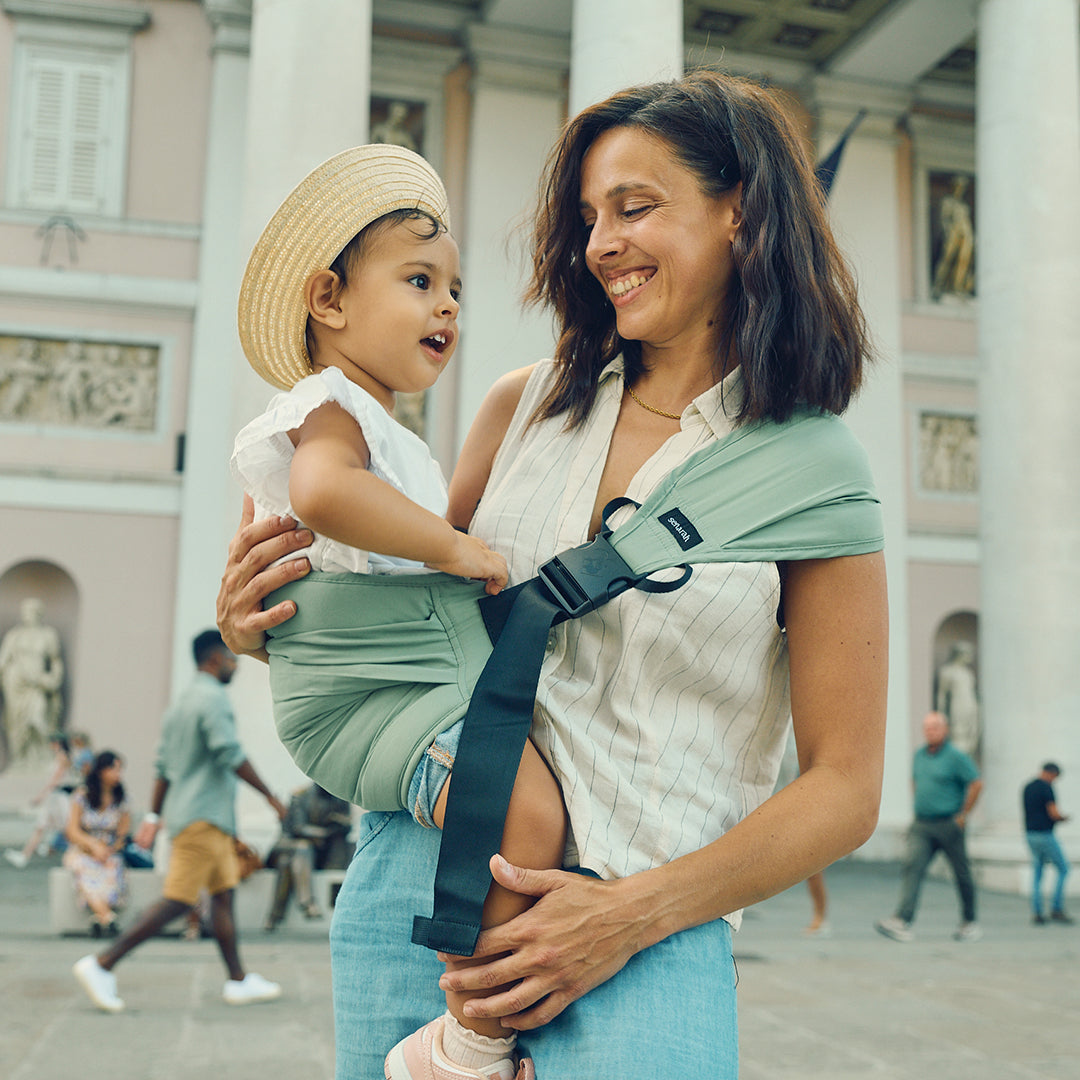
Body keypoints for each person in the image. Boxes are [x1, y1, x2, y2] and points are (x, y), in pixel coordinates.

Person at [218, 70, 889, 1079]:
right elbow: (420, 621)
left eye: (635, 206)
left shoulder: (812, 472)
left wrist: (627, 916)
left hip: (641, 931)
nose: (600, 242)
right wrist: (261, 621)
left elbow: (846, 787)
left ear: (740, 214)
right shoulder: (521, 407)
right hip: (424, 873)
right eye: (587, 216)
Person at [230, 142, 563, 1080]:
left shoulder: (388, 427)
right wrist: (455, 548)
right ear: (328, 300)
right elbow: (325, 495)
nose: (448, 305)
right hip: (368, 693)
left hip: (401, 682)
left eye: (455, 286)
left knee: (517, 811)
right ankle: (469, 1039)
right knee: (521, 814)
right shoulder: (329, 407)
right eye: (419, 279)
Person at [72, 629, 288, 1014]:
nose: (236, 665)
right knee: (179, 899)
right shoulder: (212, 700)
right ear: (214, 659)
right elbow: (229, 752)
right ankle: (102, 964)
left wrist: (155, 815)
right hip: (204, 817)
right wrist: (271, 796)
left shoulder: (181, 705)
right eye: (231, 658)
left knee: (223, 895)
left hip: (200, 817)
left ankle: (238, 981)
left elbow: (163, 767)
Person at [875, 711, 983, 944]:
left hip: (948, 823)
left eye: (934, 727)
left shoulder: (956, 756)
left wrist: (963, 815)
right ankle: (902, 919)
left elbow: (976, 782)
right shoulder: (919, 755)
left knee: (961, 872)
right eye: (926, 727)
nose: (929, 731)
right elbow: (916, 781)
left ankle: (969, 921)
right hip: (922, 823)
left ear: (944, 730)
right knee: (912, 867)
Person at [264, 783, 353, 930]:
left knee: (286, 863)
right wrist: (324, 833)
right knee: (302, 847)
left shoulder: (340, 797)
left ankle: (274, 916)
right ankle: (307, 903)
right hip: (287, 845)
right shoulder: (301, 796)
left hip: (311, 854)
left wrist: (338, 823)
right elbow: (298, 828)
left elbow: (347, 826)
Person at [63, 749, 130, 935]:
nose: (118, 775)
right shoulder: (82, 795)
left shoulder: (121, 799)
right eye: (114, 770)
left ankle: (101, 918)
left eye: (119, 770)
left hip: (108, 852)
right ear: (102, 771)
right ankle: (107, 916)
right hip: (83, 849)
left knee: (113, 867)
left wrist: (109, 849)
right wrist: (92, 845)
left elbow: (122, 834)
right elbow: (72, 830)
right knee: (84, 868)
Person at [0, 597, 65, 765]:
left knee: (38, 719)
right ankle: (19, 760)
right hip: (15, 684)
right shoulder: (14, 635)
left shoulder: (48, 634)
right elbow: (3, 661)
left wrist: (54, 679)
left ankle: (43, 757)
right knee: (16, 724)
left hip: (38, 684)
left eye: (32, 611)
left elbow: (55, 660)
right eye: (25, 611)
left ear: (39, 613)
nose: (28, 615)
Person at [4, 731, 80, 868]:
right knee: (41, 826)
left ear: (57, 743)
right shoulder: (63, 756)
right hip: (56, 797)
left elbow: (56, 780)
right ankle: (24, 855)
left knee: (66, 827)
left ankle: (78, 852)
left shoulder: (62, 757)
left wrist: (41, 796)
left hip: (59, 797)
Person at [1022, 762, 1072, 925]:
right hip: (1044, 834)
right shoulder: (1046, 788)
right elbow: (1053, 813)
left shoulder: (1027, 787)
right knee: (1064, 868)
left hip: (1030, 834)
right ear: (1051, 773)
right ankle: (1056, 908)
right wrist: (1064, 818)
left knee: (1037, 873)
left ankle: (1037, 912)